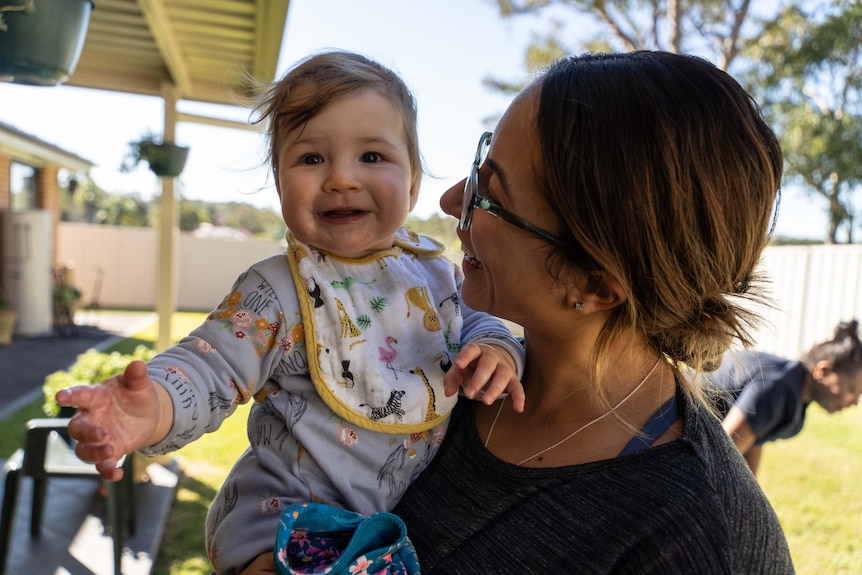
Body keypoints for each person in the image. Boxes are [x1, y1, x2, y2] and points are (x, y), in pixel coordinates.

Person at [223, 49, 798, 575]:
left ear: (594, 283)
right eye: (481, 160)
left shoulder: (691, 542)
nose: (451, 200)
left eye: (491, 192)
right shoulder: (447, 357)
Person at [55, 50, 526, 575]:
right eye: (311, 159)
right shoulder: (280, 289)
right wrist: (152, 406)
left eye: (371, 157)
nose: (341, 179)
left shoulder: (433, 272)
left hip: (374, 539)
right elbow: (209, 365)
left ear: (413, 182)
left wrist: (498, 347)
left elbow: (471, 320)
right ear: (279, 183)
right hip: (283, 524)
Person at [710, 319, 862, 475]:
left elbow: (753, 438)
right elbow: (719, 458)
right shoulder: (777, 388)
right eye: (853, 390)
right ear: (822, 371)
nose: (856, 402)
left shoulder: (794, 389)